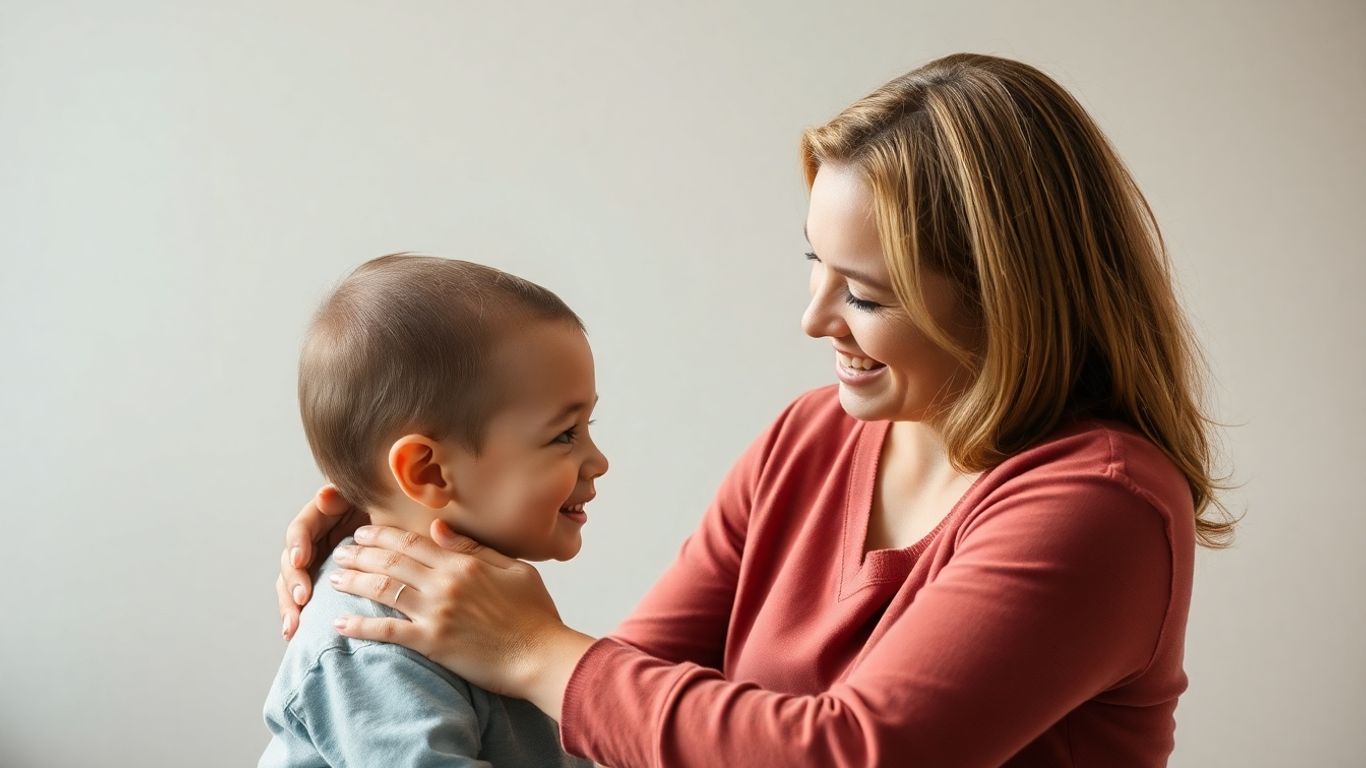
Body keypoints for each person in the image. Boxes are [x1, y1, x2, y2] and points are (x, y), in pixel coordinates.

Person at [275, 53, 1234, 767]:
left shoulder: (1100, 505)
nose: (814, 318)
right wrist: (414, 542)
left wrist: (530, 646)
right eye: (813, 264)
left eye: (866, 294)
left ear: (1004, 299)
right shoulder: (810, 438)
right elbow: (630, 709)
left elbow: (856, 753)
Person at [260, 254, 605, 767]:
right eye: (564, 435)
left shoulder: (490, 608)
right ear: (428, 473)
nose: (597, 461)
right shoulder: (369, 641)